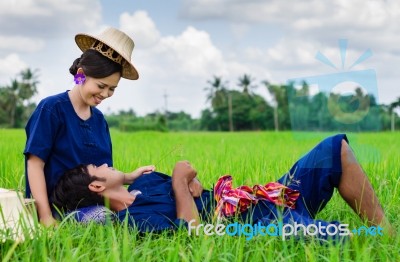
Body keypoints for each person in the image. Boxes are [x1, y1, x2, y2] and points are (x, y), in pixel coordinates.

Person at [51, 134, 394, 241]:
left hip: (265, 197)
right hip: (251, 225)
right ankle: (376, 242)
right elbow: (194, 233)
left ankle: (387, 231)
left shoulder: (144, 180)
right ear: (97, 184)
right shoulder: (132, 220)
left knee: (334, 148)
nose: (108, 164)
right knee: (341, 238)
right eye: (100, 167)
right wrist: (180, 182)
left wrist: (188, 180)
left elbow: (193, 180)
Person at [24, 27, 144, 227]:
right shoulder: (52, 109)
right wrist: (45, 216)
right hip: (58, 208)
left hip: (97, 205)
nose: (105, 94)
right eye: (101, 86)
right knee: (104, 219)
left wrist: (130, 177)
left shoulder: (99, 120)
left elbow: (104, 175)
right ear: (81, 75)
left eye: (112, 89)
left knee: (147, 199)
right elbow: (35, 164)